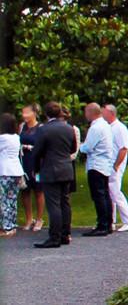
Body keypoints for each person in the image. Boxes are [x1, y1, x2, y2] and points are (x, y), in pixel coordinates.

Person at [30, 101, 77, 248]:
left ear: (46, 114)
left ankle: (54, 237)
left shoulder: (44, 130)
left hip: (51, 168)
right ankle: (65, 233)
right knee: (65, 202)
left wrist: (36, 168)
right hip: (66, 168)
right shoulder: (69, 128)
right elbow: (73, 148)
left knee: (54, 204)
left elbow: (37, 152)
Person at [79, 103, 116, 236]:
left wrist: (80, 147)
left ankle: (102, 225)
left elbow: (88, 147)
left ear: (91, 112)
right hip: (104, 164)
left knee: (99, 195)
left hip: (96, 165)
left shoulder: (95, 128)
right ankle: (108, 223)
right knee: (105, 194)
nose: (85, 115)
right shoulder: (105, 125)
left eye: (86, 112)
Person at [103, 105, 128, 232]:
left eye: (104, 112)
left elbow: (124, 148)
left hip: (115, 164)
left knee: (115, 192)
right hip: (110, 163)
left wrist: (117, 165)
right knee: (110, 192)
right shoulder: (109, 127)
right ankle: (111, 220)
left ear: (111, 113)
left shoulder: (120, 128)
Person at [18, 103, 45, 233]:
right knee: (25, 190)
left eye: (27, 112)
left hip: (37, 163)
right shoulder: (22, 127)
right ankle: (29, 218)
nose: (24, 115)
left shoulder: (41, 128)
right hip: (24, 162)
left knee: (39, 190)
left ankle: (39, 219)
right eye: (23, 113)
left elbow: (43, 146)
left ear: (34, 113)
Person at [0, 113, 23, 237]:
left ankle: (6, 227)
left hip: (4, 172)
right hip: (16, 171)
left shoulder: (3, 138)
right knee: (12, 199)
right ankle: (12, 225)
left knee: (4, 200)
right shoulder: (16, 137)